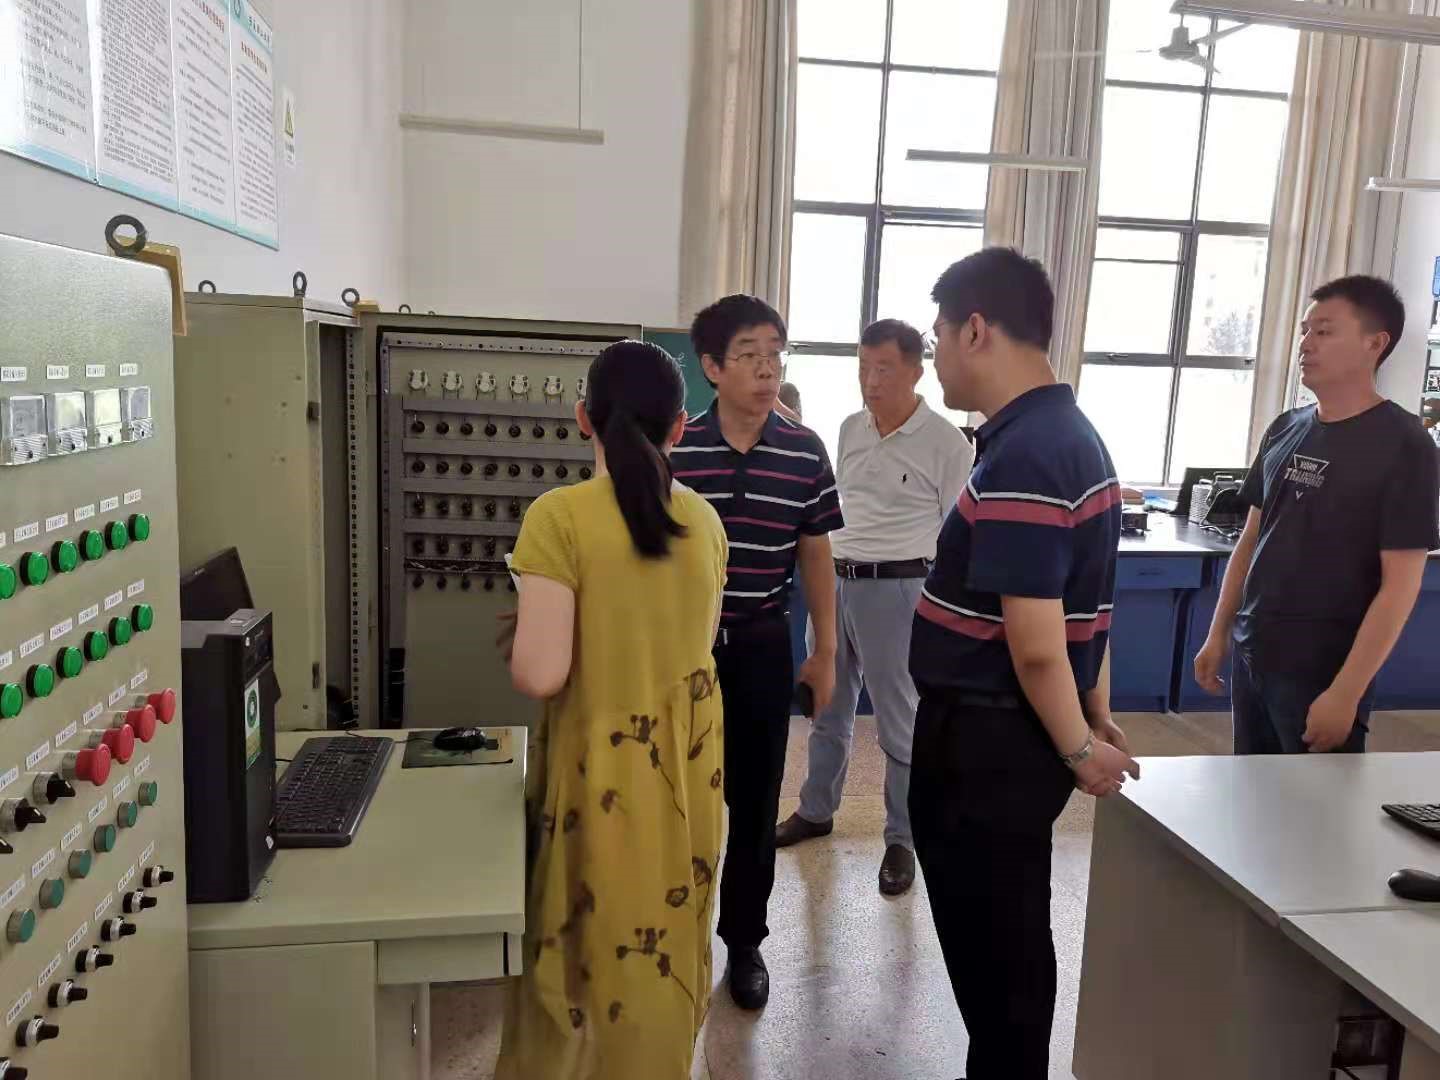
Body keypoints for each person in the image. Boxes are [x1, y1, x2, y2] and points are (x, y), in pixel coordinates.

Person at [908, 248, 1139, 1080]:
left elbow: (1037, 641)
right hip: (1004, 741)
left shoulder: (1030, 454)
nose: (935, 355)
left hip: (985, 747)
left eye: (938, 335)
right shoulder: (1062, 436)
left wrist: (1081, 750)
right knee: (1008, 947)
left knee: (999, 962)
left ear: (976, 330)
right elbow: (1089, 607)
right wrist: (1092, 712)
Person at [494, 340, 728, 1080]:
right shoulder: (705, 523)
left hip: (599, 774)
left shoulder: (559, 518)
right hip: (685, 778)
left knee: (579, 960)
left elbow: (540, 672)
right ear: (681, 426)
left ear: (582, 418)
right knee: (664, 946)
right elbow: (690, 650)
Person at [672, 294, 842, 1011]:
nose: (768, 369)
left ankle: (744, 941)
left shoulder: (804, 450)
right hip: (682, 649)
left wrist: (825, 649)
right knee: (675, 793)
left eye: (776, 354)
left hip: (764, 644)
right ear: (712, 367)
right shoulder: (677, 449)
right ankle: (671, 932)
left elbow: (815, 553)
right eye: (749, 356)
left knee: (754, 797)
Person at [1195, 275, 1439, 754]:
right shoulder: (1286, 427)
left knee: (1316, 800)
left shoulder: (1405, 444)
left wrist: (1347, 691)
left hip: (1323, 669)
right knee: (1254, 792)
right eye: (1305, 331)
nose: (1306, 344)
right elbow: (1251, 541)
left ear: (1375, 343)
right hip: (1254, 653)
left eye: (1324, 331)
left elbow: (1400, 585)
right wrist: (1218, 632)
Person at [776, 318, 974, 896]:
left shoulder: (948, 443)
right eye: (863, 367)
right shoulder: (849, 428)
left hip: (899, 590)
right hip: (835, 583)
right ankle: (816, 810)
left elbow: (958, 534)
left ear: (916, 370)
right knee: (826, 707)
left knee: (899, 720)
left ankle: (902, 839)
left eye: (884, 368)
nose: (871, 380)